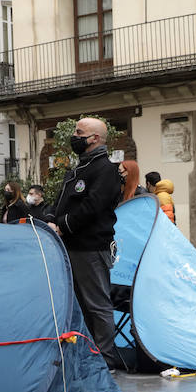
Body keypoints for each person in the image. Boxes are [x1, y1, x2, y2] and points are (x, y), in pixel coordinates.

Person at [48, 117, 125, 370]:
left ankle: (105, 358)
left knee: (97, 304)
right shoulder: (78, 169)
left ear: (95, 139)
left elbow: (92, 207)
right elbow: (62, 201)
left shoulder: (105, 169)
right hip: (70, 245)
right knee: (78, 305)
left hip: (91, 247)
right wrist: (49, 220)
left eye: (79, 132)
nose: (74, 136)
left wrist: (63, 225)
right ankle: (86, 352)